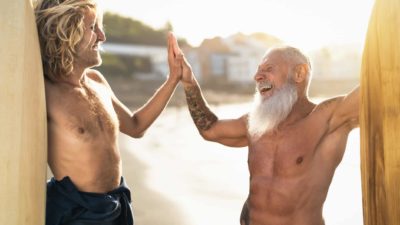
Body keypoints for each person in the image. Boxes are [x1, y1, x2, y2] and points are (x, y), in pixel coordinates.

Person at [34, 0, 183, 224]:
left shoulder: (97, 82)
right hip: (79, 213)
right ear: (66, 33)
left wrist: (173, 79)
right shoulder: (45, 91)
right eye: (92, 27)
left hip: (118, 205)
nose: (102, 36)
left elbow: (136, 126)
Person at [178, 44, 359, 225]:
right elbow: (210, 129)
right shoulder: (256, 124)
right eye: (258, 71)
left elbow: (376, 91)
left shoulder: (327, 118)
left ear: (299, 74)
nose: (257, 77)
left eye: (268, 69)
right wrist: (188, 82)